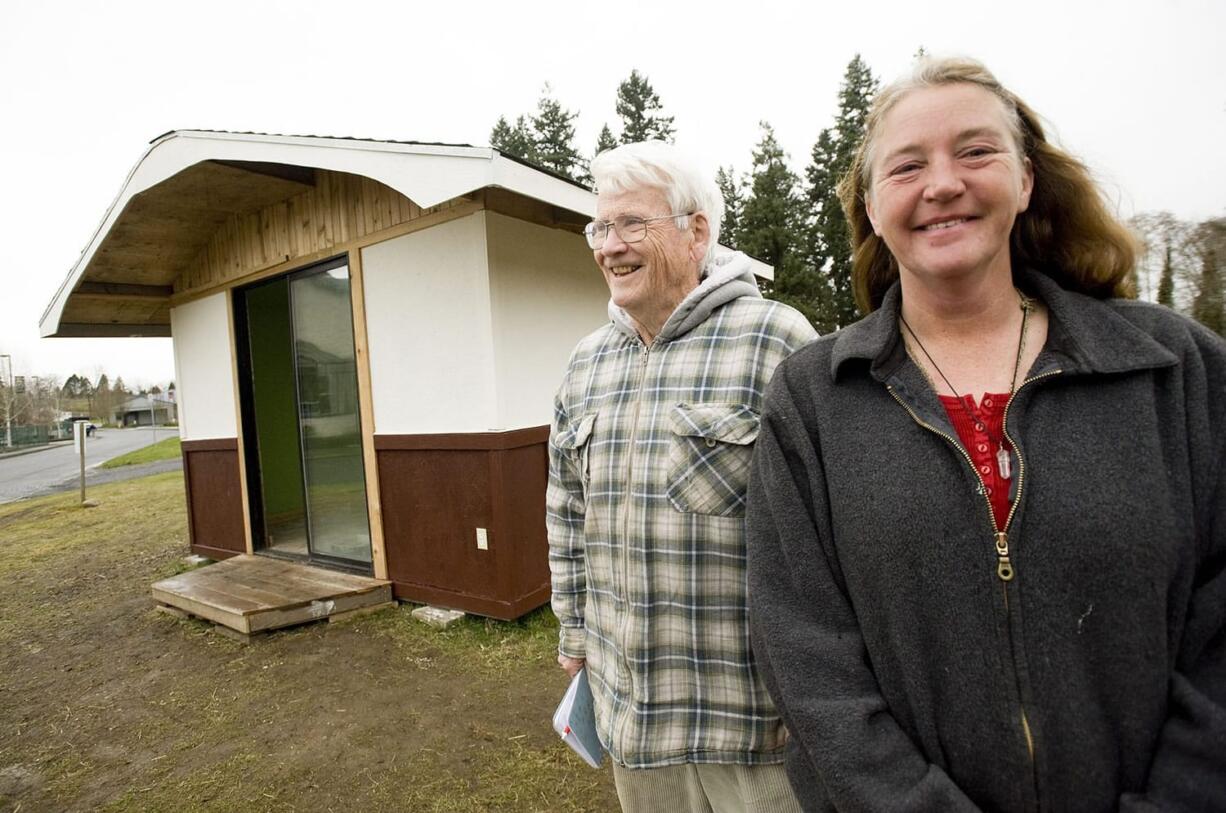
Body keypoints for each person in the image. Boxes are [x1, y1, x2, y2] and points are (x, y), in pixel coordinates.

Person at [746, 56, 1226, 811]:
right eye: (907, 166)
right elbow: (806, 659)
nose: (942, 183)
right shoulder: (812, 402)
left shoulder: (1178, 370)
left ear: (1026, 179)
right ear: (871, 206)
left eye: (975, 151)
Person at [547, 140, 816, 812]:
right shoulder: (585, 364)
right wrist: (574, 634)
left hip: (751, 725)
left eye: (632, 224)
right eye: (601, 228)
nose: (611, 246)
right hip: (631, 714)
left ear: (697, 231)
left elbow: (832, 533)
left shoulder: (775, 340)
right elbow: (566, 510)